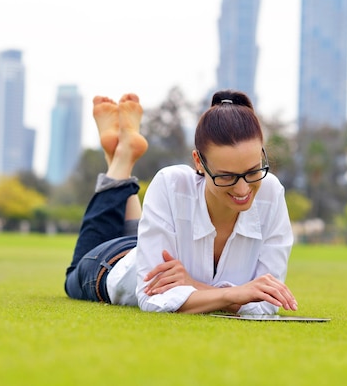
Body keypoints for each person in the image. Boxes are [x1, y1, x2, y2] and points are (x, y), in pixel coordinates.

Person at [64, 91, 298, 315]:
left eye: (253, 171)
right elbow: (151, 298)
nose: (242, 189)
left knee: (140, 239)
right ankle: (122, 157)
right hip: (113, 265)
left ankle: (118, 154)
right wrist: (234, 295)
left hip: (147, 246)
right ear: (198, 161)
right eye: (226, 176)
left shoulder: (271, 192)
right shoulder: (172, 184)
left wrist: (192, 284)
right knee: (72, 276)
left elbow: (267, 302)